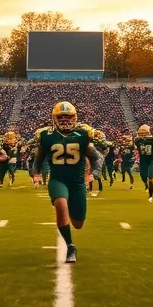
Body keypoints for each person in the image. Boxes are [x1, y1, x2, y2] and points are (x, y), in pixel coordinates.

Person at [33, 101, 102, 264]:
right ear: (54, 118)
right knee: (61, 204)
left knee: (78, 223)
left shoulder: (83, 134)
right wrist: (35, 173)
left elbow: (96, 157)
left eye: (68, 117)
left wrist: (95, 173)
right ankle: (70, 246)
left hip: (77, 181)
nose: (65, 120)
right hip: (57, 178)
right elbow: (38, 158)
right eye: (61, 117)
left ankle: (70, 210)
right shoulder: (46, 135)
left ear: (75, 117)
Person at [133, 124, 153, 202]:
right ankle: (145, 184)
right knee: (143, 177)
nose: (143, 135)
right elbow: (135, 143)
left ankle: (150, 196)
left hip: (151, 161)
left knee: (151, 179)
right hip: (142, 161)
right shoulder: (138, 140)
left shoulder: (152, 140)